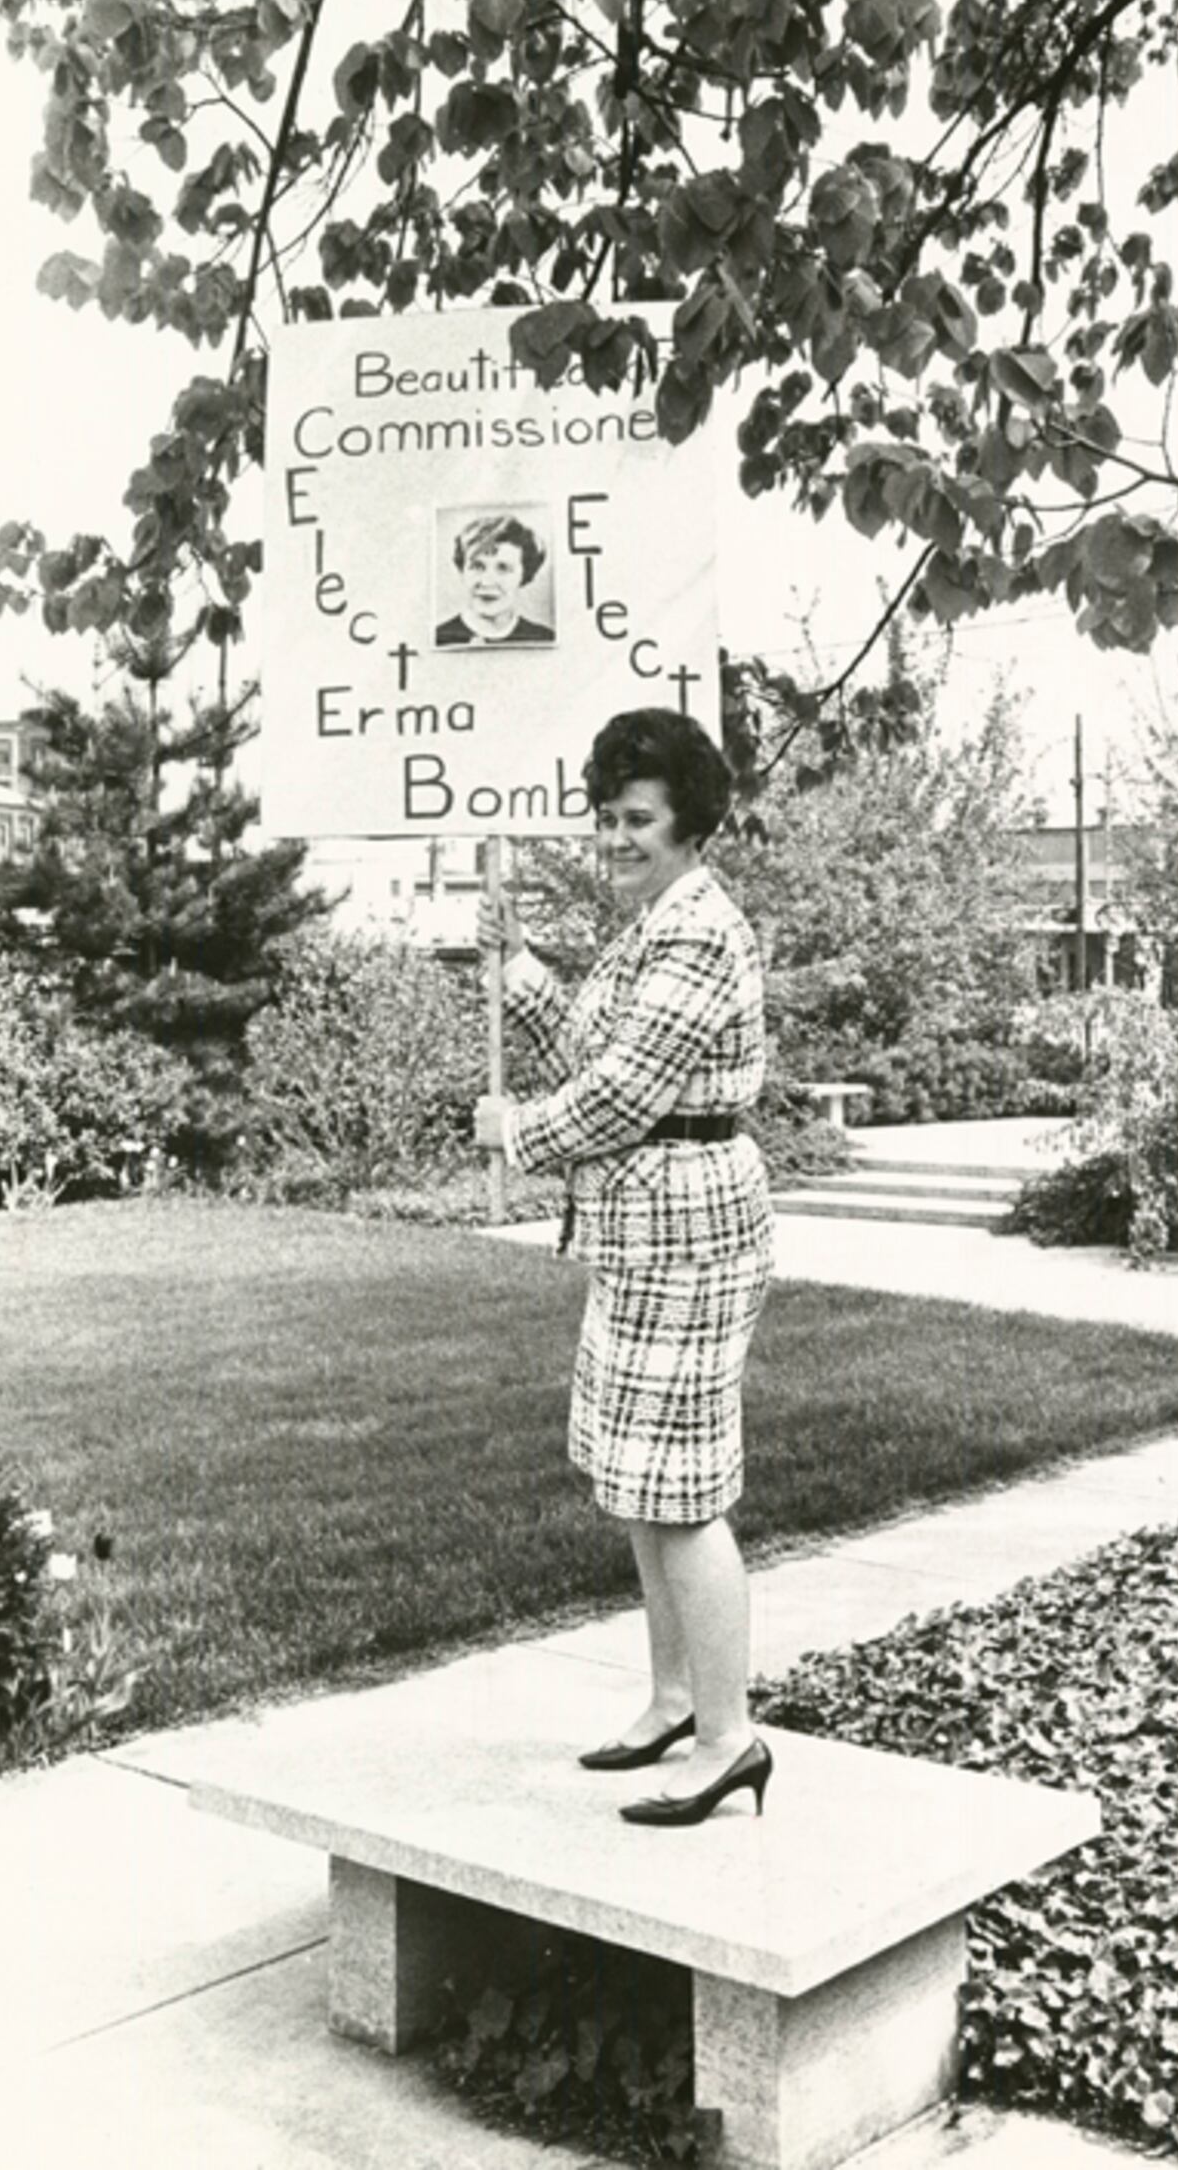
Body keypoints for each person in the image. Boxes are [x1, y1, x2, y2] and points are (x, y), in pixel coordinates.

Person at [472, 709, 774, 1828]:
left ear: (690, 822)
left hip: (689, 1229)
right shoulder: (652, 920)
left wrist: (514, 1131)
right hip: (643, 1230)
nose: (616, 836)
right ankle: (672, 1700)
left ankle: (729, 1734)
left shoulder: (697, 927)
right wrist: (514, 967)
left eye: (637, 817)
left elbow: (624, 1094)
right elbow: (597, 1052)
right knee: (642, 1481)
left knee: (683, 1492)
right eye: (605, 816)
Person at [435, 513, 554, 646]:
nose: (487, 582)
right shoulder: (438, 638)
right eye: (477, 566)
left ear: (525, 575)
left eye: (503, 568)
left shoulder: (544, 639)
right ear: (462, 571)